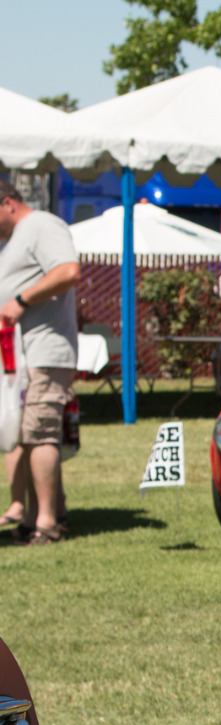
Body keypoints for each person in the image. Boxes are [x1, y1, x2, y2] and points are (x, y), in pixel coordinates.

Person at [0, 179, 80, 545]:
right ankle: (39, 515)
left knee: (40, 433)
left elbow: (67, 271)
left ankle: (47, 524)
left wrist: (21, 300)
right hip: (22, 356)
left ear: (7, 202)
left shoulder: (42, 225)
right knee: (27, 435)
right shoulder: (16, 236)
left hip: (45, 352)